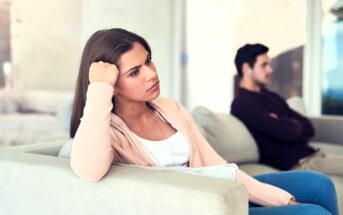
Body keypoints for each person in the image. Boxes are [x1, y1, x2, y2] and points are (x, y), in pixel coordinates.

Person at [69, 29, 338, 215]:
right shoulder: (107, 130)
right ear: (113, 85)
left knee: (318, 184)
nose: (151, 74)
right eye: (135, 72)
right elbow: (89, 171)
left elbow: (217, 166)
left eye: (149, 61)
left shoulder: (169, 107)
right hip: (198, 207)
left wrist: (274, 197)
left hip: (217, 192)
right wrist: (99, 88)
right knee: (311, 212)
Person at [231, 43, 343, 179]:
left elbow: (308, 128)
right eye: (264, 65)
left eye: (269, 65)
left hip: (313, 155)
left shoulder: (271, 96)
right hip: (300, 163)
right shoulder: (243, 104)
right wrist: (288, 123)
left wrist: (282, 121)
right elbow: (290, 132)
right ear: (247, 68)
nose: (270, 70)